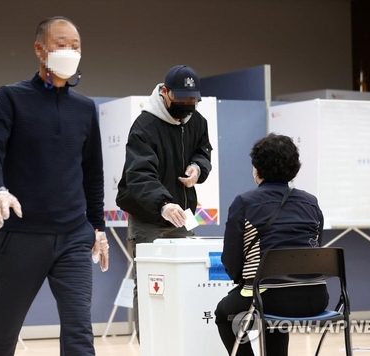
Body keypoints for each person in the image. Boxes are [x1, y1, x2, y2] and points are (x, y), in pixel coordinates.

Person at [0, 16, 109, 356]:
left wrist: (98, 227)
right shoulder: (11, 98)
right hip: (22, 235)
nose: (70, 50)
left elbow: (92, 171)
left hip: (73, 237)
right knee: (3, 332)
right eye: (61, 43)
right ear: (40, 50)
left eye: (76, 45)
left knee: (80, 332)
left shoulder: (85, 109)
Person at [116, 65, 213, 338]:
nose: (187, 105)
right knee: (150, 283)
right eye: (181, 99)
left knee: (185, 279)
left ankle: (180, 340)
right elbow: (139, 175)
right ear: (165, 92)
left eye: (192, 100)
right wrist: (163, 204)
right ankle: (150, 343)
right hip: (149, 218)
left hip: (182, 216)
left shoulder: (197, 122)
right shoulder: (144, 126)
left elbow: (203, 152)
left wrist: (198, 168)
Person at [215, 134, 329, 356]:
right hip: (315, 297)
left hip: (268, 298)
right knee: (272, 299)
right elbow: (314, 249)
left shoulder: (245, 203)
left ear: (257, 169)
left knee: (225, 313)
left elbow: (231, 259)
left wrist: (241, 279)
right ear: (294, 168)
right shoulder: (310, 202)